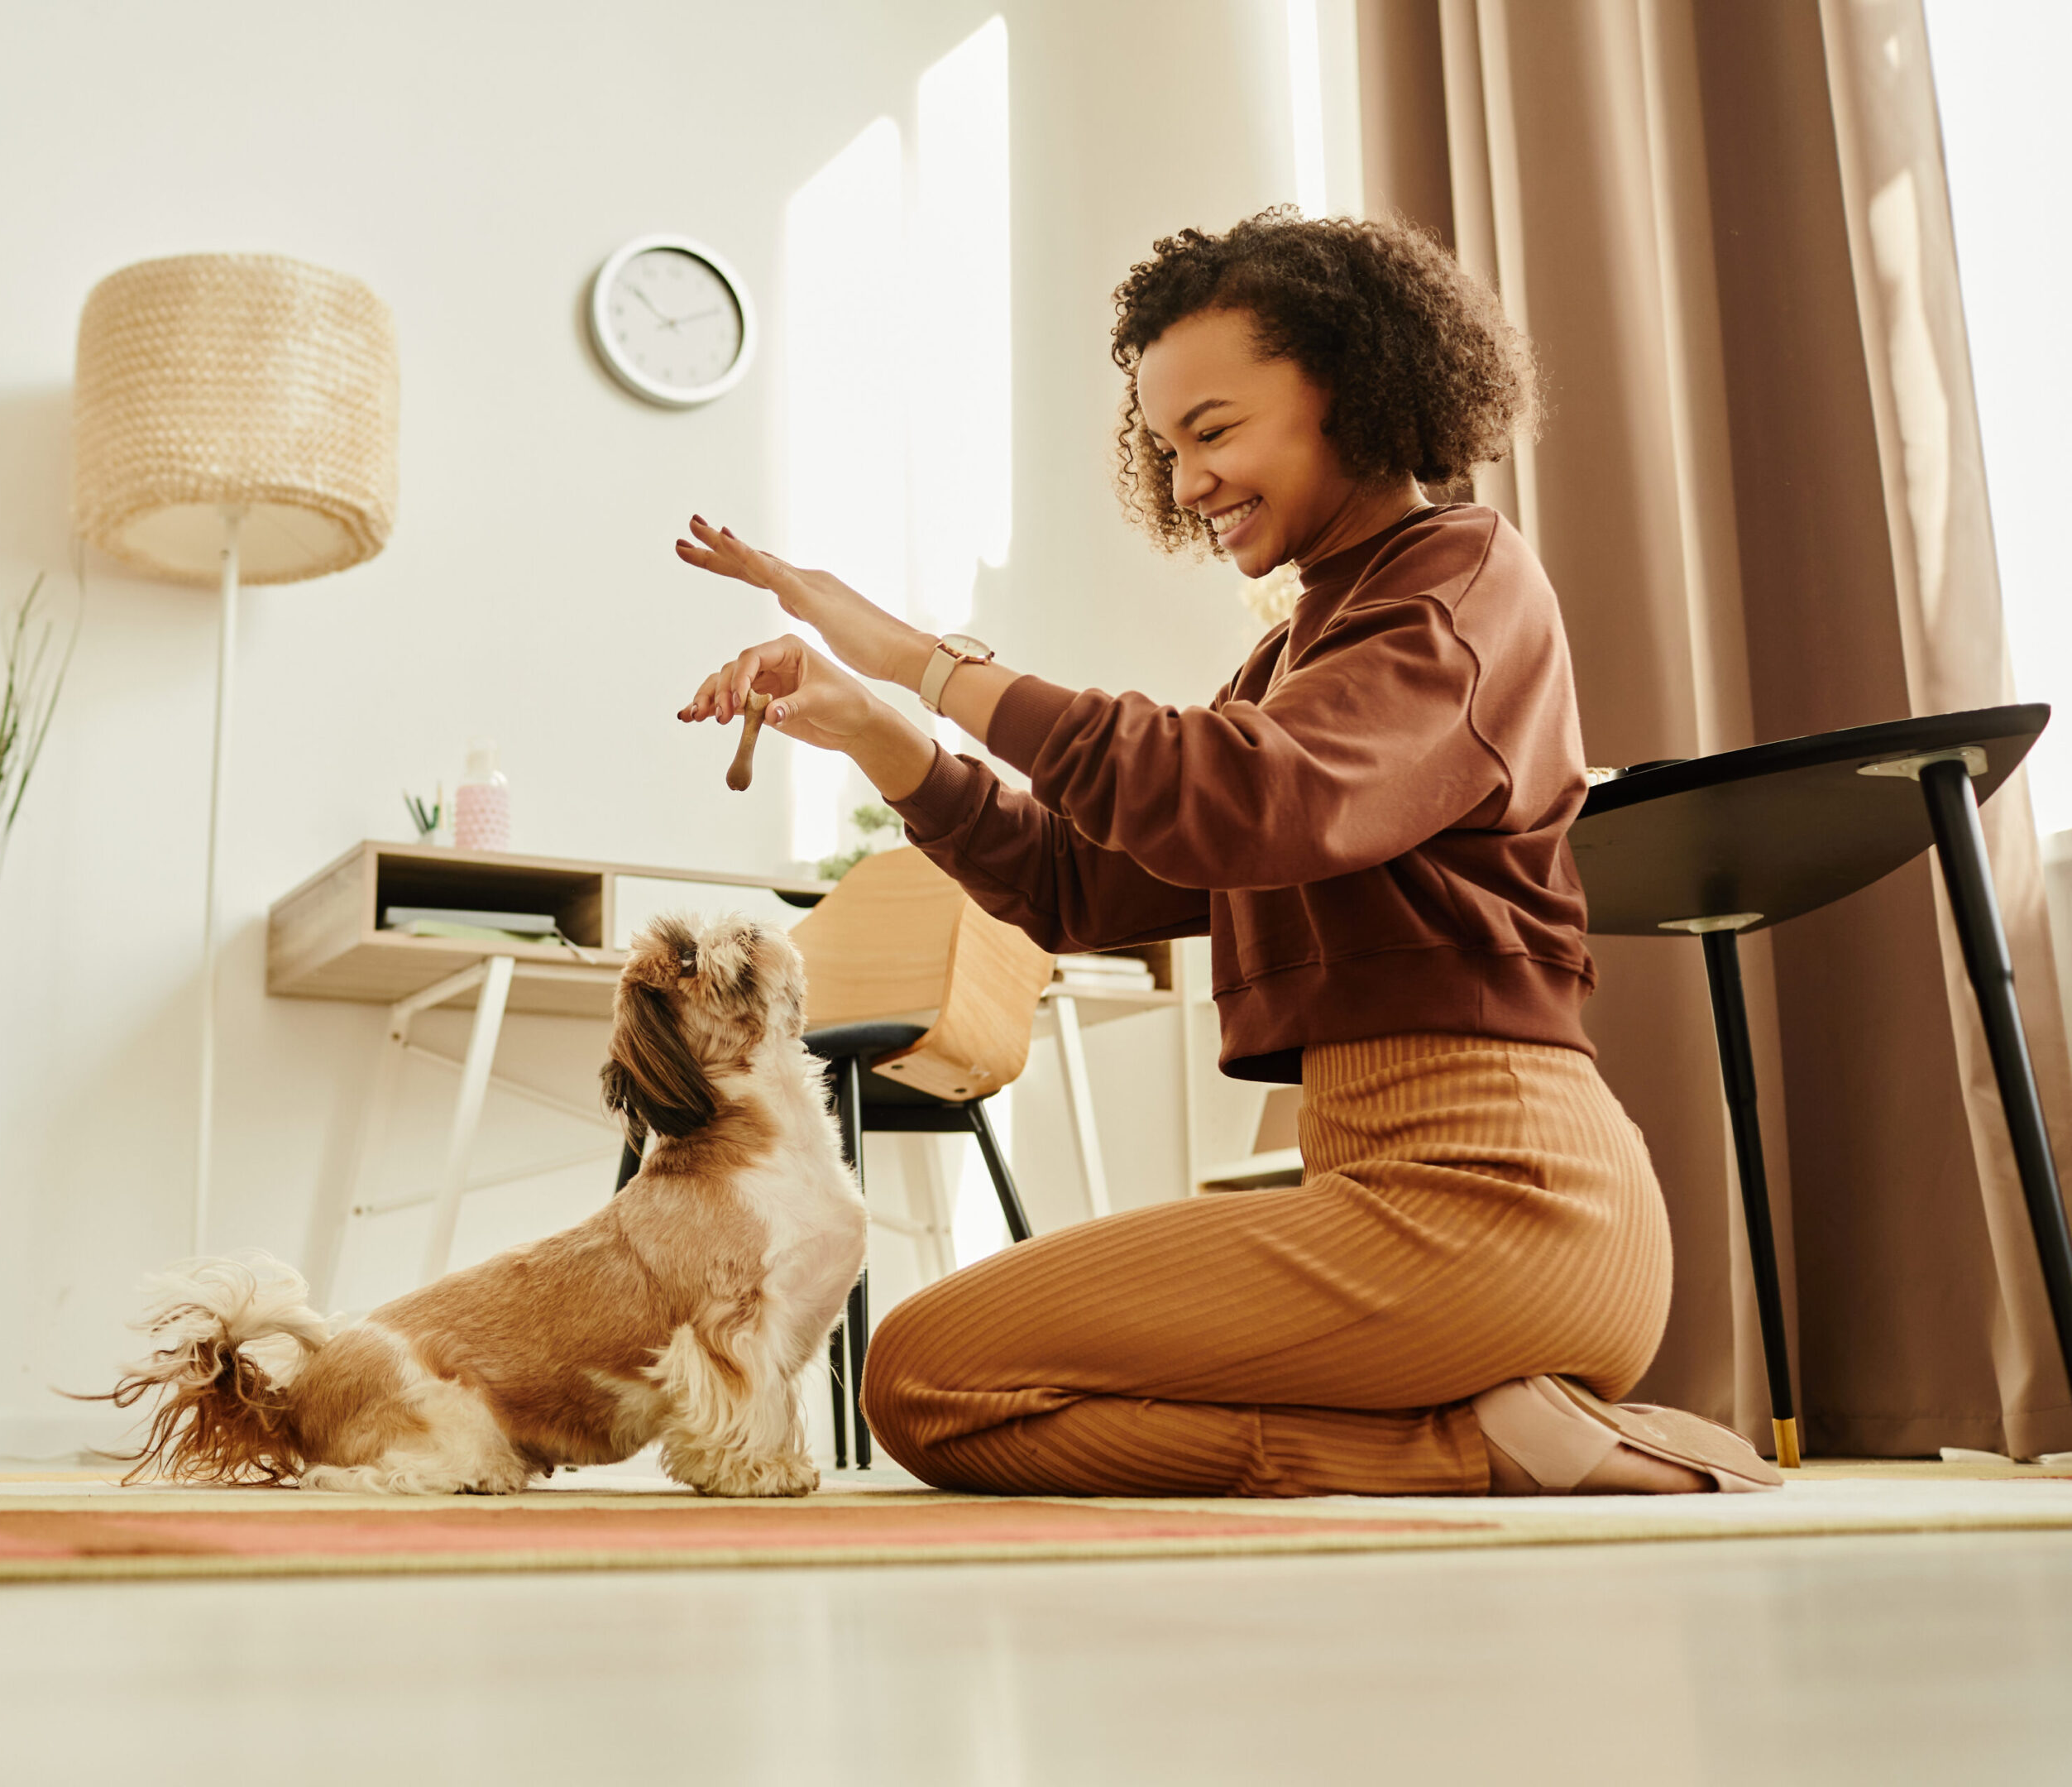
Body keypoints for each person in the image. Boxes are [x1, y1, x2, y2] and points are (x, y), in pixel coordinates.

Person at [672, 209, 1778, 1498]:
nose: (1188, 483)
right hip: (1390, 1189)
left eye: (1214, 431)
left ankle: (1481, 1443)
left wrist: (925, 660)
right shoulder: (1303, 648)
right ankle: (1493, 1438)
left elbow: (1250, 798)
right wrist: (877, 731)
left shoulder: (1461, 580)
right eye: (1165, 446)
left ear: (1353, 393)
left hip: (1505, 1197)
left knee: (929, 1372)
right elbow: (1080, 882)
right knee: (937, 1386)